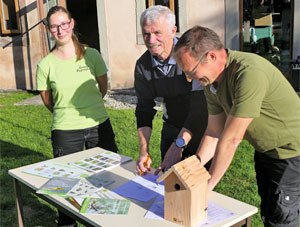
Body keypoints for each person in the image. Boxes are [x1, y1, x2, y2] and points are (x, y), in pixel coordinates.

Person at [173, 25, 300, 227]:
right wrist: (194, 167)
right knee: (269, 212)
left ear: (211, 57)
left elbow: (232, 138)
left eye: (191, 71)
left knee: (282, 218)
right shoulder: (211, 82)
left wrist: (207, 186)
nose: (189, 78)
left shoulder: (249, 73)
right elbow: (214, 131)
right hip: (265, 151)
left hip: (291, 152)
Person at [36, 6, 118, 227]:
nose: (60, 30)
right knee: (66, 186)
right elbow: (48, 101)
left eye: (64, 24)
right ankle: (67, 224)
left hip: (98, 125)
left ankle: (106, 221)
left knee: (108, 181)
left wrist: (89, 108)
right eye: (54, 26)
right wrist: (68, 114)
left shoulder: (92, 55)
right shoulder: (45, 65)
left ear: (72, 24)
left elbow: (102, 88)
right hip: (65, 131)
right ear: (48, 29)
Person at [134, 5, 208, 176]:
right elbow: (144, 109)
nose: (151, 40)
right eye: (146, 34)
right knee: (169, 182)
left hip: (200, 129)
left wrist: (179, 145)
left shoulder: (191, 56)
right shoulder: (142, 66)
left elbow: (199, 107)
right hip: (172, 126)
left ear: (173, 31)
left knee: (198, 185)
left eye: (157, 33)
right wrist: (144, 151)